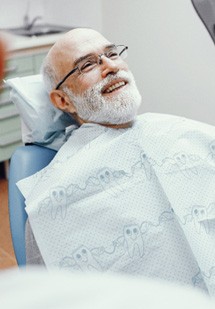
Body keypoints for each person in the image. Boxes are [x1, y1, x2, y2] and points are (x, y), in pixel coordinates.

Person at [20, 28, 215, 297]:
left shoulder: (177, 131)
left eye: (111, 53)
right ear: (63, 100)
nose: (110, 66)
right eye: (87, 64)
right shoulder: (51, 203)